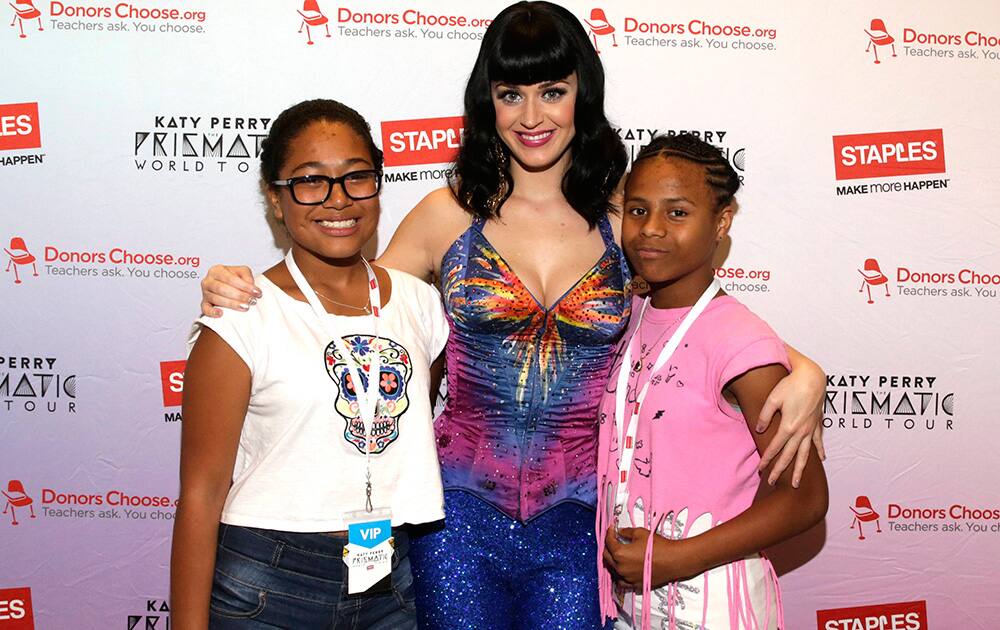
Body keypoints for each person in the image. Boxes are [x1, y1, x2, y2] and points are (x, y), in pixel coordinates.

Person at [196, 3, 826, 627]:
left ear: (583, 92)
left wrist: (803, 367)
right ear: (486, 102)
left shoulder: (626, 217)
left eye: (552, 91)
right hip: (453, 521)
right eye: (510, 93)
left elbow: (696, 320)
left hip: (584, 528)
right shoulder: (447, 214)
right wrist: (244, 284)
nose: (531, 117)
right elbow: (356, 305)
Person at [170, 99, 449, 629]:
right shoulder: (239, 317)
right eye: (309, 181)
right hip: (269, 584)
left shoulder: (421, 304)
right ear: (276, 200)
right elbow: (201, 495)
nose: (337, 199)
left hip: (392, 585)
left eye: (356, 177)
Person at [597, 134, 829, 630]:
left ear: (721, 222)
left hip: (715, 606)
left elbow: (804, 498)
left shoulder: (742, 341)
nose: (651, 230)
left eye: (677, 213)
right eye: (638, 211)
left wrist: (677, 558)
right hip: (630, 605)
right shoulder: (627, 315)